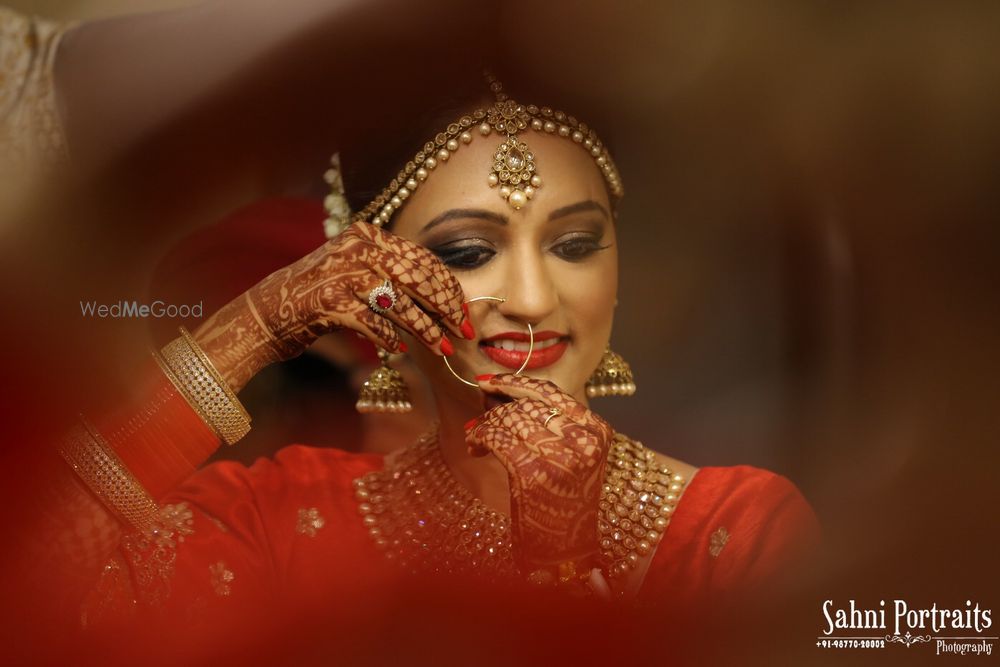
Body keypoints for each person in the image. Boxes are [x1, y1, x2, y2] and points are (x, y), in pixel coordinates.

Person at [41, 72, 819, 662]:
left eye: (576, 244)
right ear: (369, 274)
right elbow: (39, 583)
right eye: (467, 251)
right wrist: (247, 331)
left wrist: (564, 566)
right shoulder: (275, 521)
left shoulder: (739, 532)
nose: (533, 297)